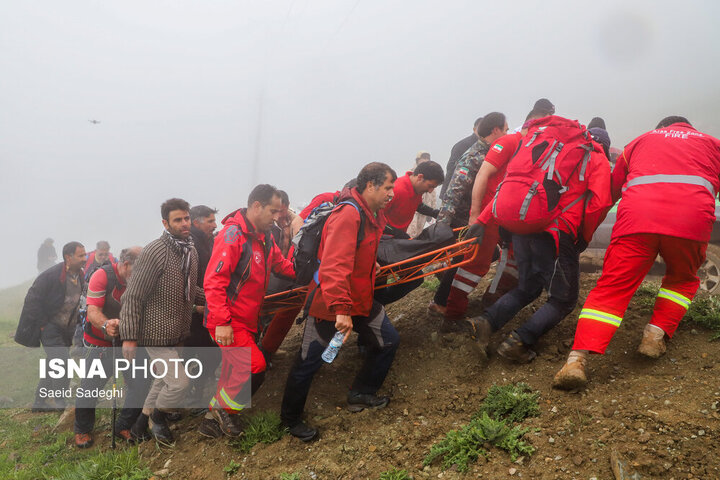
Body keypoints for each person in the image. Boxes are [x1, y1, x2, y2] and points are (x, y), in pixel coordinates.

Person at [553, 116, 720, 389]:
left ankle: (576, 361)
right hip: (689, 222)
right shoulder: (712, 144)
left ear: (661, 130)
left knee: (611, 288)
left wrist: (585, 233)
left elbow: (610, 192)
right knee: (682, 279)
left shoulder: (639, 142)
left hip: (636, 221)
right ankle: (654, 336)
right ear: (689, 127)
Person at [466, 115, 612, 363]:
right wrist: (583, 238)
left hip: (522, 226)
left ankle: (485, 323)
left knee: (528, 286)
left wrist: (481, 219)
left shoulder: (542, 147)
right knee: (563, 299)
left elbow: (513, 185)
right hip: (557, 232)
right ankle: (519, 341)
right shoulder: (594, 154)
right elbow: (600, 203)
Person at [280, 162, 400, 442]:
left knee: (389, 341)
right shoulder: (348, 215)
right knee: (309, 361)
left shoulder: (369, 213)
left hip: (359, 298)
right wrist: (341, 311)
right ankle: (290, 420)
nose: (391, 194)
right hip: (332, 305)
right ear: (370, 186)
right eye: (387, 187)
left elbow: (356, 254)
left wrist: (372, 267)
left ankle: (361, 393)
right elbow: (334, 266)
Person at [201, 185, 295, 438]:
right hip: (228, 320)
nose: (276, 217)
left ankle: (210, 421)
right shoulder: (233, 236)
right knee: (255, 366)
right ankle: (224, 410)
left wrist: (312, 273)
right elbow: (214, 281)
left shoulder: (263, 237)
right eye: (273, 211)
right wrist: (222, 322)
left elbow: (281, 265)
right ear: (256, 206)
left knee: (234, 369)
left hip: (247, 319)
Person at [442, 110, 547, 328]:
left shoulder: (533, 148)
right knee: (474, 264)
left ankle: (493, 299)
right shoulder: (509, 142)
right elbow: (481, 175)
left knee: (513, 259)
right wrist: (475, 216)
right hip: (490, 213)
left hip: (511, 215)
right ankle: (452, 316)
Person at [119, 198, 203, 446]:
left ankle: (139, 425)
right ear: (165, 223)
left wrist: (218, 298)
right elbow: (133, 295)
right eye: (178, 219)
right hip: (154, 332)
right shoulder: (155, 252)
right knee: (179, 383)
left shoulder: (190, 250)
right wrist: (129, 337)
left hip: (178, 330)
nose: (184, 223)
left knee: (162, 381)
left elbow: (191, 289)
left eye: (186, 218)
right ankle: (158, 418)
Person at [428, 113, 509, 325]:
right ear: (496, 130)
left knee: (469, 257)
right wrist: (444, 223)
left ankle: (442, 299)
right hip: (463, 218)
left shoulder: (488, 152)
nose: (507, 134)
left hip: (473, 217)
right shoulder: (475, 155)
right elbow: (455, 188)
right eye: (506, 130)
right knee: (467, 258)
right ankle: (440, 302)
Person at [73, 246, 142, 448]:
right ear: (126, 264)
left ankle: (124, 424)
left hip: (129, 339)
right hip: (101, 340)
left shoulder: (137, 280)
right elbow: (92, 310)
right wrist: (106, 324)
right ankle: (82, 429)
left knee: (139, 382)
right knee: (91, 386)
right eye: (140, 269)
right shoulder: (102, 276)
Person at [16, 242, 86, 411]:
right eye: (81, 256)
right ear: (68, 257)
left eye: (85, 255)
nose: (85, 259)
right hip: (50, 327)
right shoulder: (51, 275)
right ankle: (60, 402)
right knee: (63, 363)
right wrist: (43, 325)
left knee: (52, 364)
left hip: (66, 328)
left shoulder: (81, 275)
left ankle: (39, 402)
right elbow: (32, 300)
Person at [186, 205, 220, 412]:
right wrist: (194, 306)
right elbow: (182, 282)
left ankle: (198, 392)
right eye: (210, 221)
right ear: (196, 223)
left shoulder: (208, 241)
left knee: (212, 353)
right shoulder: (190, 245)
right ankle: (190, 397)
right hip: (192, 313)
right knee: (191, 355)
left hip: (207, 307)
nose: (215, 225)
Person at [383, 159, 444, 238]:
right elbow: (374, 218)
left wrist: (434, 213)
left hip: (397, 238)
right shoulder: (396, 190)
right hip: (383, 240)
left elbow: (418, 205)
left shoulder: (416, 190)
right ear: (420, 177)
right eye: (430, 186)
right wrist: (396, 233)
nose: (430, 191)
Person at [440, 117, 483, 201]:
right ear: (474, 129)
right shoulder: (464, 145)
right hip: (456, 193)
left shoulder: (485, 145)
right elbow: (451, 169)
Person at [406, 152, 440, 237]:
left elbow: (432, 194)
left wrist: (432, 210)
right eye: (422, 160)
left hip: (424, 208)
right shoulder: (413, 175)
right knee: (411, 231)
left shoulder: (430, 176)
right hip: (413, 209)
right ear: (418, 161)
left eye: (426, 160)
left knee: (419, 231)